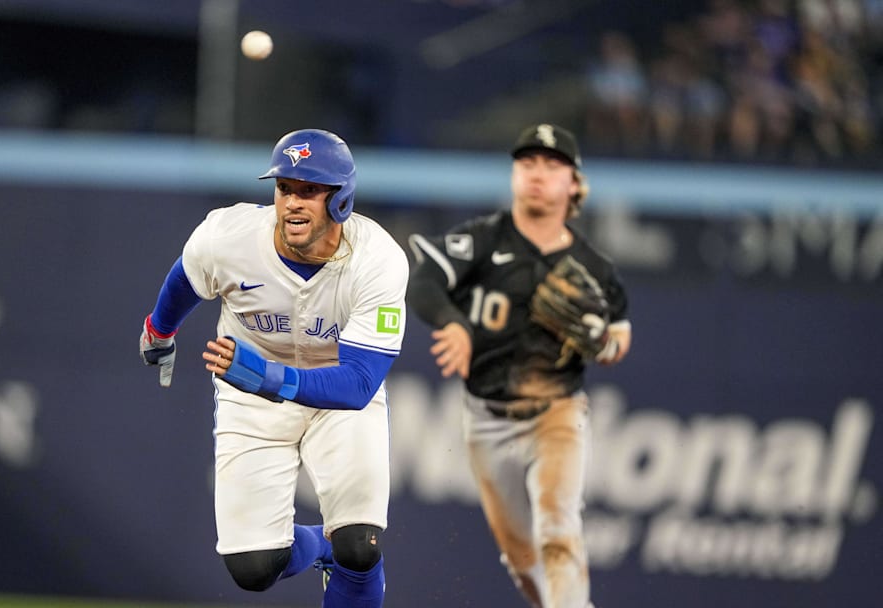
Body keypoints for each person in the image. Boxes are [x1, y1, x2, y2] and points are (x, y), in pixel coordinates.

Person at [139, 128, 408, 608]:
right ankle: (321, 546)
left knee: (360, 546)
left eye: (310, 191)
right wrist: (160, 330)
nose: (293, 204)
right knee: (254, 568)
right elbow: (187, 275)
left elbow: (361, 384)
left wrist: (269, 378)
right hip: (251, 398)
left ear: (341, 199)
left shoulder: (378, 259)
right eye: (285, 188)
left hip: (333, 392)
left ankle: (341, 550)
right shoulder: (230, 236)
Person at [406, 123, 631, 608]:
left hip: (557, 413)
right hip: (486, 418)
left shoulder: (594, 267)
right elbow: (424, 282)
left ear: (574, 183)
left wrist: (601, 342)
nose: (538, 173)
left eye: (552, 165)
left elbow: (620, 339)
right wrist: (453, 322)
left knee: (558, 526)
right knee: (521, 557)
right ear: (513, 174)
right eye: (527, 163)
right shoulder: (483, 240)